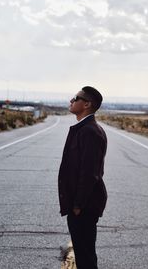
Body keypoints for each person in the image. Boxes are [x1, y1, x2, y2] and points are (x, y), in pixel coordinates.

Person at [58, 86, 107, 269]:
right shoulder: (83, 129)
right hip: (80, 204)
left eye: (76, 98)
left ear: (86, 104)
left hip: (84, 205)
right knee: (82, 252)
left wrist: (78, 204)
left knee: (85, 255)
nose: (71, 100)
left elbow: (89, 173)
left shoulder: (90, 132)